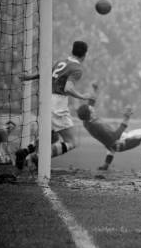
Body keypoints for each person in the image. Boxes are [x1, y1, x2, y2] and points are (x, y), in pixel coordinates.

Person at [15, 40, 95, 169]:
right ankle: (38, 158)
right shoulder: (77, 68)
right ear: (84, 55)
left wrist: (29, 77)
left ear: (72, 50)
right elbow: (68, 88)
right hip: (58, 104)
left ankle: (24, 151)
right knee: (72, 142)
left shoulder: (61, 62)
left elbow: (45, 73)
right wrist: (83, 96)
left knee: (51, 136)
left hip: (46, 101)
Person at [75, 83, 141, 173]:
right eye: (90, 110)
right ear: (90, 114)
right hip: (120, 144)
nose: (92, 108)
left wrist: (95, 90)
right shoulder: (97, 126)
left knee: (109, 142)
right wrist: (126, 118)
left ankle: (105, 165)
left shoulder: (87, 121)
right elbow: (115, 137)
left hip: (111, 145)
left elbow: (91, 103)